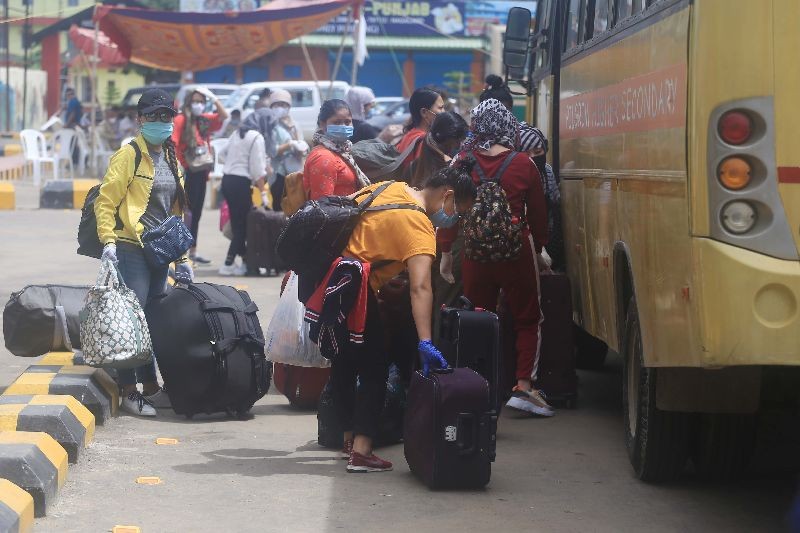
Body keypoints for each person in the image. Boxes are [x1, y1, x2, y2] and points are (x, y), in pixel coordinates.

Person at [330, 162, 477, 473]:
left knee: (344, 361)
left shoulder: (391, 188)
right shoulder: (420, 225)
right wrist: (425, 341)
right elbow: (421, 287)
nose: (453, 219)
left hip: (328, 282)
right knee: (375, 365)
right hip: (355, 289)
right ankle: (361, 450)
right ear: (447, 195)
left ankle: (346, 439)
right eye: (458, 211)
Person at [439, 98, 553, 417]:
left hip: (475, 252)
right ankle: (524, 387)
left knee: (478, 320)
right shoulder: (522, 163)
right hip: (516, 250)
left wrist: (446, 252)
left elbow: (449, 210)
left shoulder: (461, 161)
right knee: (529, 318)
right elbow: (540, 215)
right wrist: (541, 248)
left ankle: (478, 390)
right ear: (506, 125)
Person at [94, 88, 193, 417]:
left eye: (167, 116)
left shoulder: (170, 155)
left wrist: (183, 260)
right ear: (140, 120)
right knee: (130, 320)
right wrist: (108, 241)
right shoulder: (129, 155)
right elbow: (106, 201)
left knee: (149, 321)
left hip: (159, 251)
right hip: (130, 246)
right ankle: (128, 390)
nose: (161, 122)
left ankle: (150, 386)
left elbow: (176, 211)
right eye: (154, 116)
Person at [172, 86, 228, 265]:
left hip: (201, 172)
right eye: (195, 101)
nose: (199, 105)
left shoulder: (203, 120)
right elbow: (173, 142)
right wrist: (177, 165)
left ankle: (193, 251)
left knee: (195, 213)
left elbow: (223, 116)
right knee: (185, 213)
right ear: (189, 102)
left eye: (202, 102)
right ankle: (181, 251)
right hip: (188, 171)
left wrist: (213, 97)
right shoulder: (181, 119)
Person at [217, 110, 271, 276]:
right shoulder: (257, 137)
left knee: (237, 223)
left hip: (227, 180)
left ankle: (245, 262)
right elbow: (258, 169)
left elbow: (221, 154)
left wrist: (232, 165)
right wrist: (263, 195)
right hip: (241, 183)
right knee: (243, 226)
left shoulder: (237, 133)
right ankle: (229, 262)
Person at [303, 99, 370, 200]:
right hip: (340, 214)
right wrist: (362, 195)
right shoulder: (323, 157)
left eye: (347, 122)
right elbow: (322, 205)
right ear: (322, 124)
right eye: (337, 122)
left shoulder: (343, 152)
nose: (343, 127)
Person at [407, 110, 468, 188]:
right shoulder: (450, 168)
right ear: (442, 139)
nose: (458, 146)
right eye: (456, 141)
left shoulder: (412, 167)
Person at [268, 89, 307, 208]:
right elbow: (272, 151)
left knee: (295, 205)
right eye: (277, 104)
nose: (281, 107)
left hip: (294, 173)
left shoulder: (294, 125)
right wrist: (289, 144)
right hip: (277, 172)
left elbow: (302, 147)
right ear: (272, 106)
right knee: (279, 204)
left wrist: (300, 148)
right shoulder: (270, 125)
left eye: (284, 105)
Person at [395, 87, 445, 165]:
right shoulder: (423, 141)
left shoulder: (410, 135)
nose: (444, 112)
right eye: (440, 108)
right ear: (424, 112)